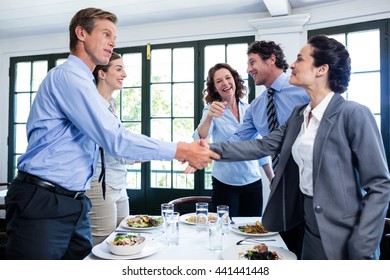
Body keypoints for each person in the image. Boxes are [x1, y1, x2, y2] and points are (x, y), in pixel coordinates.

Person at [5, 7, 219, 260]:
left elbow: (114, 139)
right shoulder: (67, 77)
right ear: (81, 33)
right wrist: (182, 150)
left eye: (114, 38)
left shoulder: (86, 84)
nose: (112, 42)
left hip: (75, 201)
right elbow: (115, 138)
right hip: (43, 200)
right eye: (106, 34)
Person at [204, 35, 390, 259]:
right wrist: (206, 150)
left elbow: (379, 185)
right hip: (306, 222)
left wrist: (363, 244)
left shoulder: (354, 113)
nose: (291, 64)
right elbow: (263, 145)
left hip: (345, 234)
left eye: (300, 59)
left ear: (321, 69)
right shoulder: (299, 115)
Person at [229, 40, 309, 258]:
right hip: (281, 182)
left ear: (271, 59)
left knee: (310, 245)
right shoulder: (256, 106)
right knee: (286, 242)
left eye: (252, 62)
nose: (248, 69)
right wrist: (204, 149)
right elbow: (237, 142)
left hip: (311, 179)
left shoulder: (304, 91)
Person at [193, 63, 273, 217]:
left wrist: (271, 177)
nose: (225, 83)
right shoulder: (211, 109)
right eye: (219, 81)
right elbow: (200, 137)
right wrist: (209, 116)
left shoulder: (249, 108)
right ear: (215, 88)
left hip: (252, 181)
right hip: (225, 183)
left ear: (235, 81)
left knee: (250, 230)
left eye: (228, 78)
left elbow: (259, 147)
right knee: (225, 231)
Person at [85, 52, 135, 245]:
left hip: (118, 181)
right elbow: (117, 147)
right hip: (100, 184)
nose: (125, 74)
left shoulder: (111, 104)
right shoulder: (92, 105)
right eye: (119, 68)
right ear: (102, 74)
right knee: (102, 244)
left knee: (123, 239)